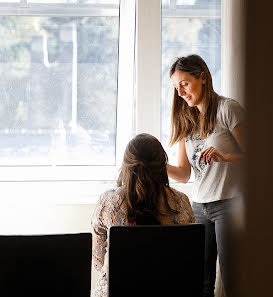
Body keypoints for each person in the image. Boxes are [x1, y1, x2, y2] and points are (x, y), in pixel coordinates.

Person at [166, 54, 246, 297]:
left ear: (202, 77)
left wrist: (225, 156)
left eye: (184, 84)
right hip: (199, 206)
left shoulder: (227, 108)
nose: (180, 93)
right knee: (201, 280)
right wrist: (155, 163)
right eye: (175, 88)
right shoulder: (186, 119)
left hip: (228, 204)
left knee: (232, 278)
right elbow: (183, 174)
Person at [91, 133, 195, 297]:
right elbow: (188, 258)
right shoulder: (181, 201)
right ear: (162, 165)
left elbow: (98, 261)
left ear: (127, 166)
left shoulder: (109, 202)